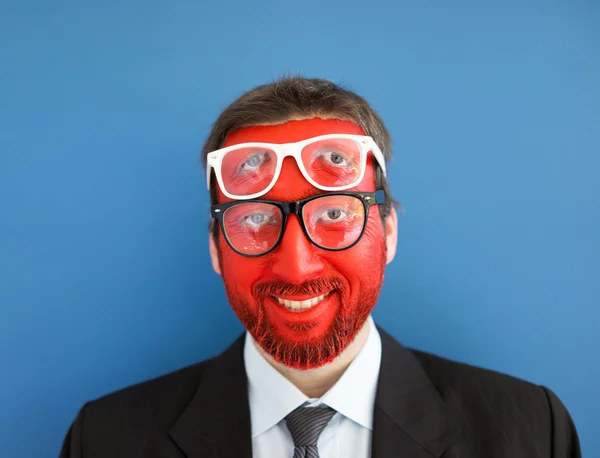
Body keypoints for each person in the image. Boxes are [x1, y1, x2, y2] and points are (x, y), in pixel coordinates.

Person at [59, 77, 581, 458]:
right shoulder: (104, 439)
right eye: (256, 219)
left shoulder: (532, 432)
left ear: (390, 232)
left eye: (334, 214)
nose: (297, 267)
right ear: (216, 249)